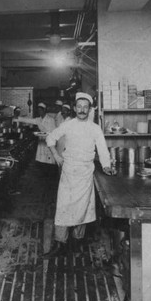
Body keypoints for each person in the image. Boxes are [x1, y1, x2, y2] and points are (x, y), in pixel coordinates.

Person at [44, 92, 114, 257]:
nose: (82, 110)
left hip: (85, 173)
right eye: (79, 107)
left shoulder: (95, 128)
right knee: (63, 208)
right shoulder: (68, 125)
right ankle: (60, 244)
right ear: (75, 108)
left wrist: (106, 166)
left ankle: (76, 243)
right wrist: (56, 156)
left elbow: (103, 150)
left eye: (85, 107)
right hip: (69, 172)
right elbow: (50, 138)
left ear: (89, 109)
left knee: (82, 210)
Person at [13, 102, 57, 170]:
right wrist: (17, 118)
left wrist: (40, 133)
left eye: (41, 110)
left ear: (44, 110)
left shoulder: (51, 120)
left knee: (49, 164)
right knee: (41, 163)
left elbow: (53, 134)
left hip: (49, 144)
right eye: (38, 110)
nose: (39, 112)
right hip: (42, 143)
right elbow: (29, 120)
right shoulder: (38, 119)